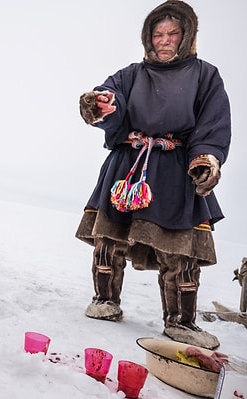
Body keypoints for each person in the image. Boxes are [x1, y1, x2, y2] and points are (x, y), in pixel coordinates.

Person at [76, 0, 230, 349]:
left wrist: (206, 157)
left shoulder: (205, 75)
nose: (164, 39)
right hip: (128, 165)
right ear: (148, 37)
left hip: (176, 168)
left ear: (186, 35)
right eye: (158, 33)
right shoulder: (131, 74)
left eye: (172, 33)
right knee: (110, 237)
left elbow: (213, 122)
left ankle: (181, 322)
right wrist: (100, 104)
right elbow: (109, 96)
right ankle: (105, 300)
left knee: (181, 249)